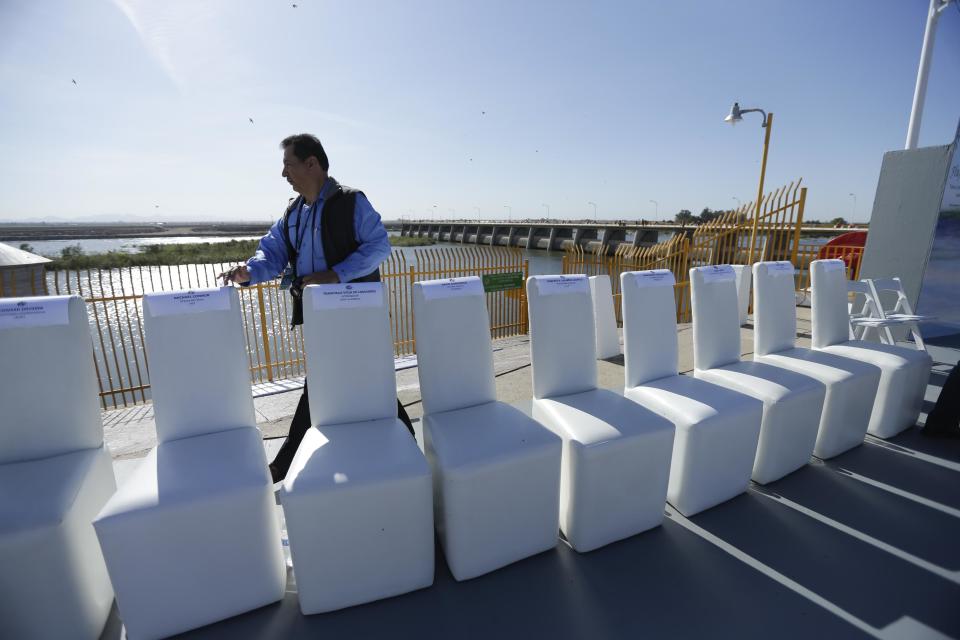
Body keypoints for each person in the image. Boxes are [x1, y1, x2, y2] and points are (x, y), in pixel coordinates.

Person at [220, 133, 414, 482]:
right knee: (357, 381)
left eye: (288, 165)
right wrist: (249, 271)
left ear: (312, 164)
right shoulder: (293, 213)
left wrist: (336, 275)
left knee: (353, 380)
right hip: (320, 318)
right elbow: (273, 252)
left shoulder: (353, 202)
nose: (284, 175)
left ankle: (283, 465)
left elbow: (379, 246)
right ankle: (410, 452)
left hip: (358, 314)